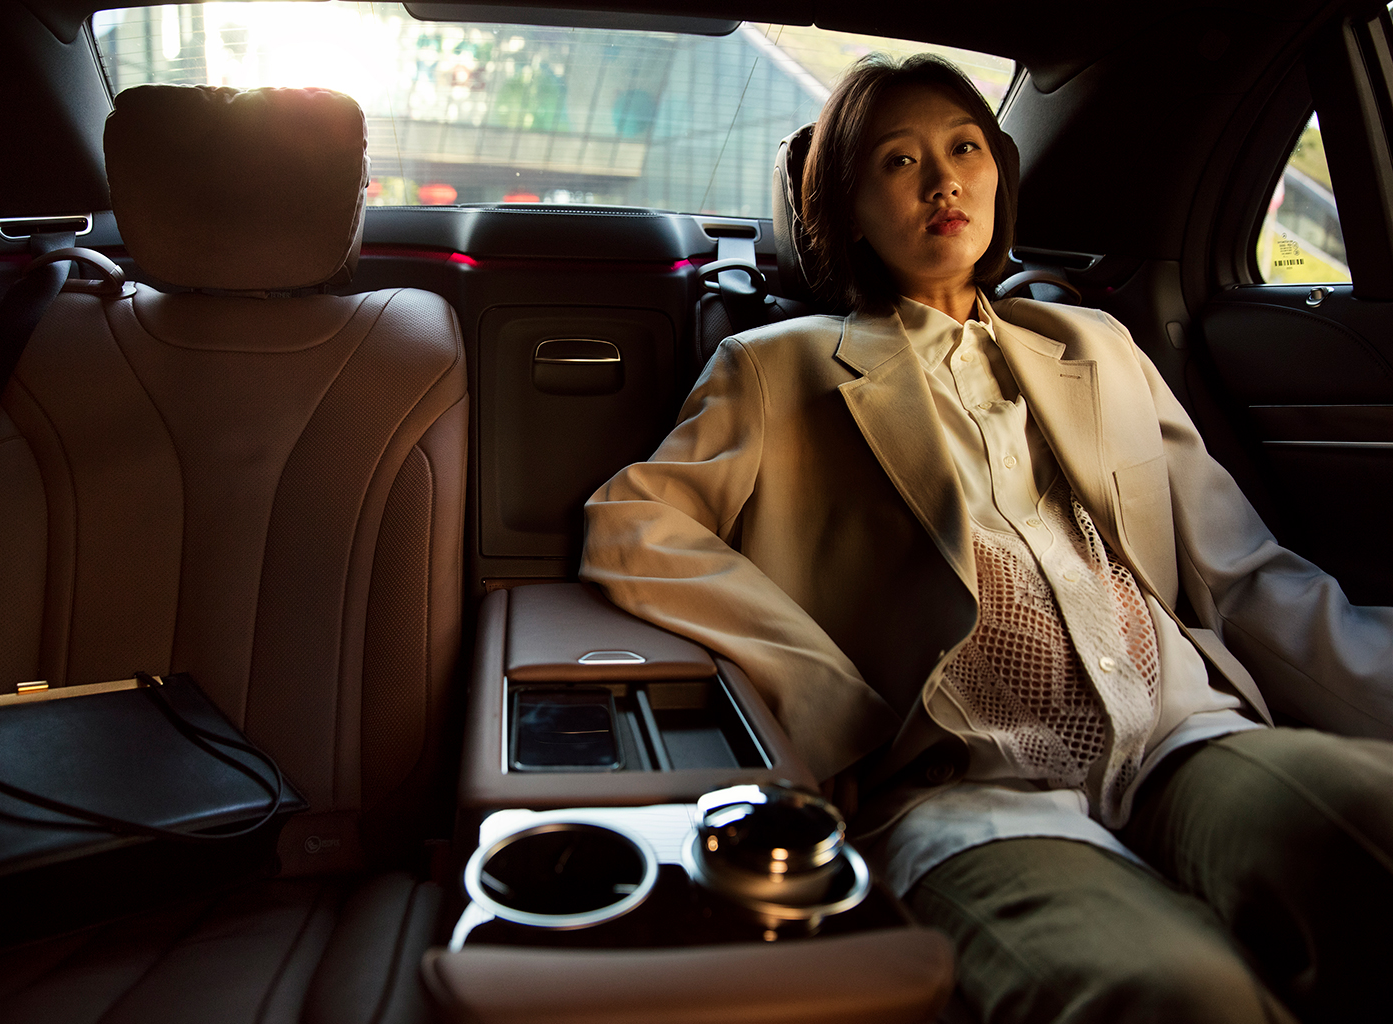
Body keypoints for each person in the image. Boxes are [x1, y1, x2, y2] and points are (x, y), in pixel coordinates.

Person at [580, 53, 1393, 1024]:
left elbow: (1246, 574)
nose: (943, 181)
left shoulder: (1098, 346)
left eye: (965, 149)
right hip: (965, 786)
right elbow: (634, 524)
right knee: (1176, 993)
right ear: (847, 207)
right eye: (898, 161)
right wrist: (820, 693)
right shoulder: (774, 368)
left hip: (1183, 733)